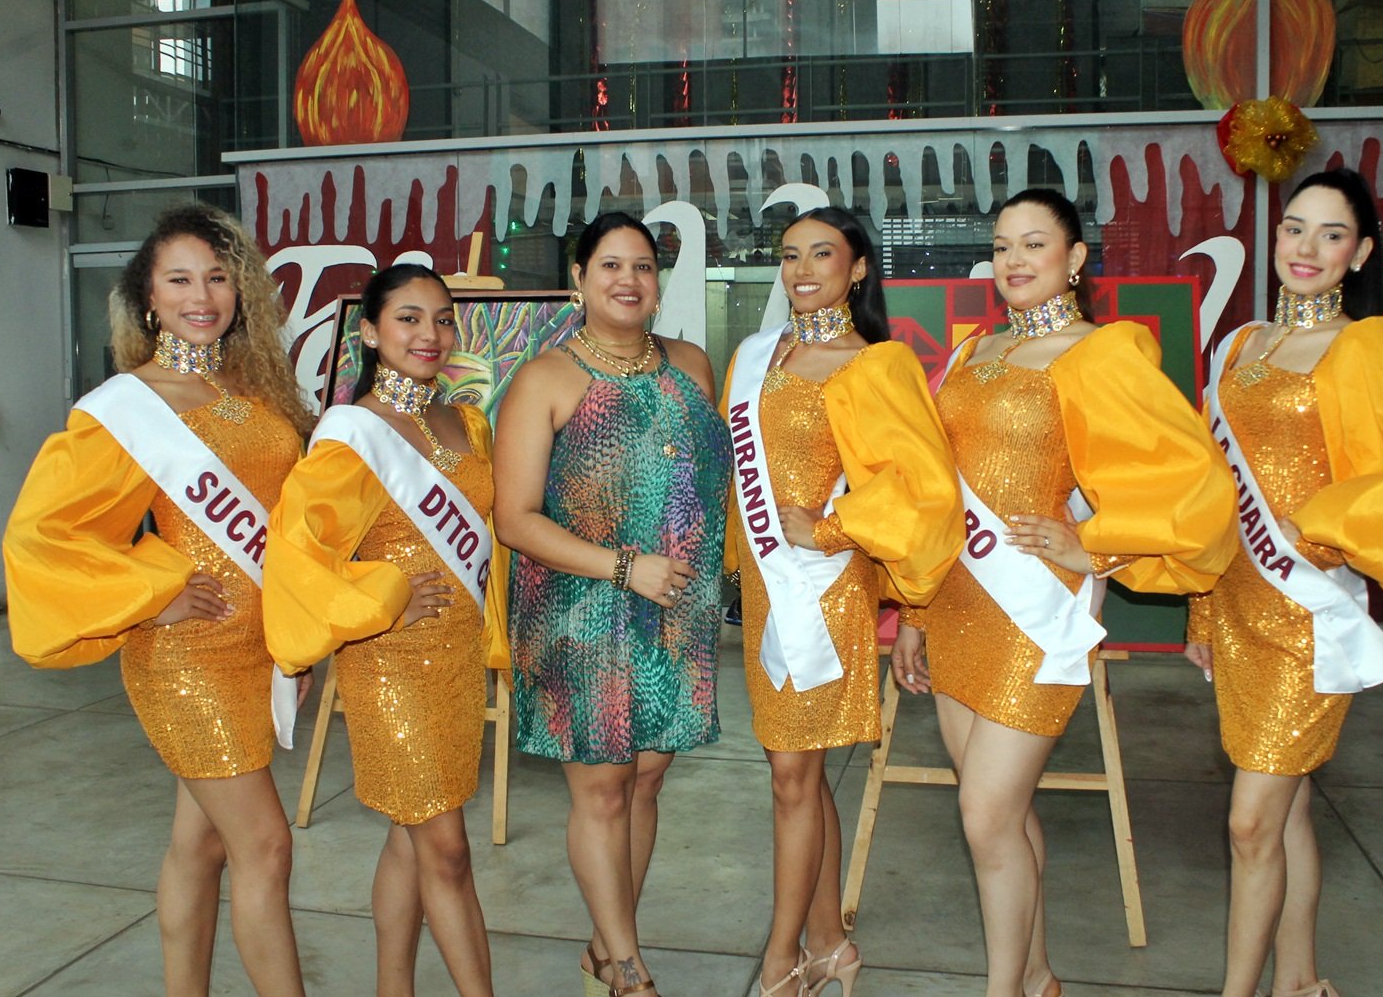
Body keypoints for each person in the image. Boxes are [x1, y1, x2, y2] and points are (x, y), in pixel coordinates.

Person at [890, 188, 1237, 997]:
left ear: (1076, 258)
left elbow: (1189, 480)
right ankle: (1039, 975)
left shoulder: (1104, 353)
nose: (1013, 259)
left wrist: (1097, 548)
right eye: (1003, 244)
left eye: (1034, 243)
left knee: (982, 814)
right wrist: (911, 610)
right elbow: (937, 490)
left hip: (1035, 611)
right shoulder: (976, 351)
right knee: (1000, 816)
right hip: (957, 602)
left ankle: (1003, 987)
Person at [3, 204, 316, 997]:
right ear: (148, 296)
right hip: (187, 657)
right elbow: (42, 533)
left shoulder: (251, 386)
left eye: (216, 276)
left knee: (200, 846)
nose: (201, 294)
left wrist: (294, 637)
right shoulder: (129, 405)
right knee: (266, 844)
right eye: (179, 279)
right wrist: (152, 597)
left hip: (255, 649)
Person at [1184, 167, 1383, 997]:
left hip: (1308, 616)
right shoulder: (1240, 346)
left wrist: (1331, 530)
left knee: (1249, 823)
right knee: (1288, 810)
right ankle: (1301, 981)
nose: (1306, 248)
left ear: (1361, 254)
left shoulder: (1367, 344)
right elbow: (1216, 487)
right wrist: (1203, 612)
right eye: (1293, 229)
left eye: (1330, 234)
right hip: (1240, 605)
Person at [724, 206, 962, 997]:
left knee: (793, 776)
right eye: (790, 254)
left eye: (822, 254)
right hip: (768, 588)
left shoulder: (875, 364)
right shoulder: (762, 353)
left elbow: (923, 490)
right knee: (799, 772)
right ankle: (830, 942)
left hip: (825, 592)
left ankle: (780, 956)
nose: (801, 269)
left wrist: (831, 528)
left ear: (857, 267)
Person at [494, 212, 732, 997]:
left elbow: (705, 486)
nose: (628, 280)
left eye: (642, 266)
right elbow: (515, 517)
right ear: (578, 281)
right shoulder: (546, 379)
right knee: (600, 787)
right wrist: (623, 567)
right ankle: (629, 969)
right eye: (609, 266)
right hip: (579, 612)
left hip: (672, 611)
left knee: (647, 781)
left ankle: (606, 941)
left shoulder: (693, 365)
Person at [264, 264, 500, 997]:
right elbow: (298, 551)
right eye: (407, 318)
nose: (429, 334)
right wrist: (382, 596)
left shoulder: (465, 419)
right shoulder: (350, 437)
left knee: (411, 834)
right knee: (449, 850)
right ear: (368, 331)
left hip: (457, 657)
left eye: (442, 318)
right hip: (390, 662)